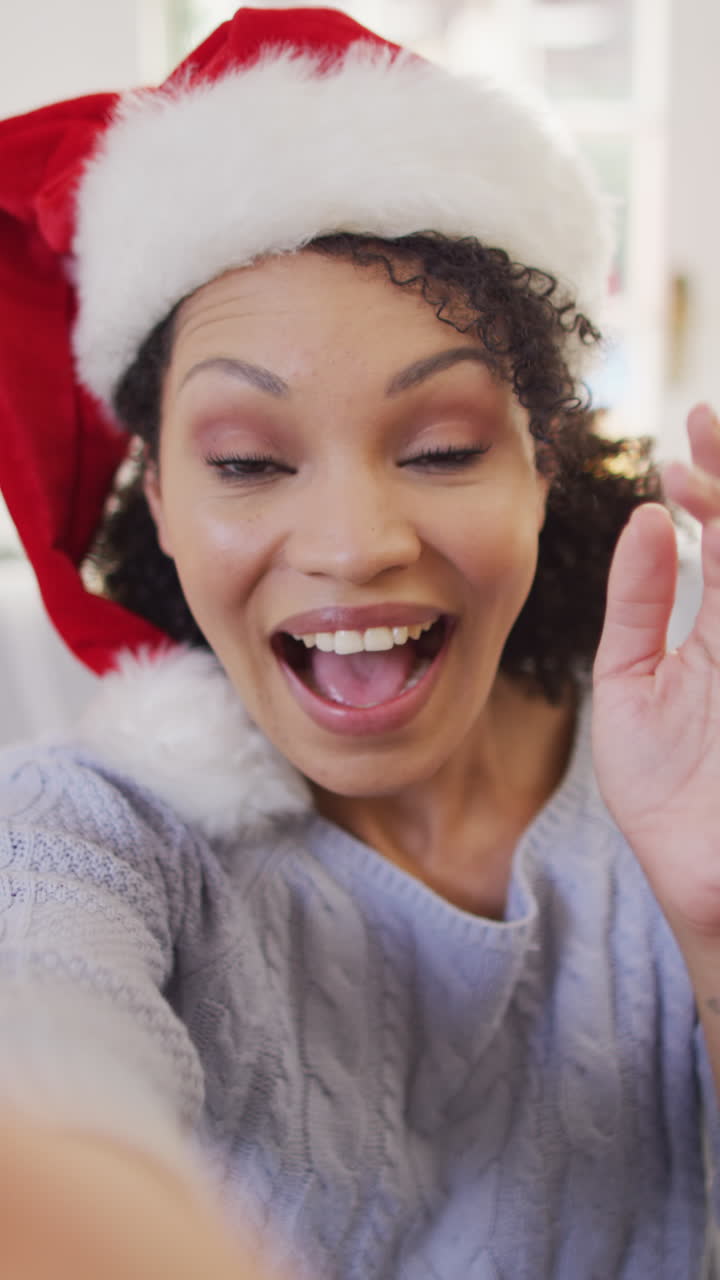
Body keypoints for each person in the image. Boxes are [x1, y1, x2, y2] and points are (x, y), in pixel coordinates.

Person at [0, 6, 719, 1277]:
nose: (353, 542)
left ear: (544, 469)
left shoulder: (681, 773)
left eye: (442, 447)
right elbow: (45, 1083)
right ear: (160, 498)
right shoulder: (95, 834)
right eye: (249, 461)